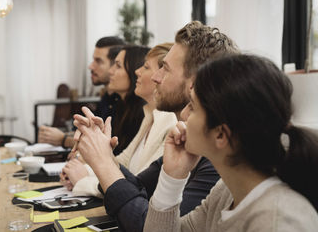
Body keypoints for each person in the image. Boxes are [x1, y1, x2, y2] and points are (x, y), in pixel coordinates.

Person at [72, 21, 239, 232]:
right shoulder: (185, 139)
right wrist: (101, 151)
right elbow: (139, 187)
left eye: (165, 68)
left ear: (195, 82)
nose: (155, 77)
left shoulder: (216, 159)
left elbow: (145, 224)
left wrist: (104, 163)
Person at [144, 54, 318, 231]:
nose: (184, 115)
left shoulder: (278, 224)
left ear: (220, 135)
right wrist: (172, 178)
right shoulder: (227, 191)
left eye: (193, 106)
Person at [62, 43, 177, 197]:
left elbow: (137, 184)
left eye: (146, 67)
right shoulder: (151, 116)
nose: (137, 71)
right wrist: (80, 169)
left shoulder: (169, 122)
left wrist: (83, 179)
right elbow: (122, 165)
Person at [37, 36, 124, 148]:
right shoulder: (107, 98)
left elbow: (106, 147)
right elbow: (91, 135)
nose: (90, 66)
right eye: (93, 60)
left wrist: (63, 139)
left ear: (115, 65)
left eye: (98, 61)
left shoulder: (124, 104)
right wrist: (58, 135)